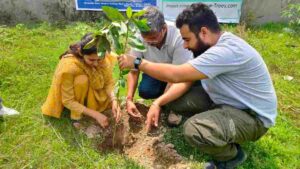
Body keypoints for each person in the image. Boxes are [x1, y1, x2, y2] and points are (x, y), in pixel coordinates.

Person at [118, 3, 277, 169]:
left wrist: (137, 62)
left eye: (187, 40)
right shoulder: (213, 45)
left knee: (193, 129)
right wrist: (157, 102)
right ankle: (216, 124)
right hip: (225, 100)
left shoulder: (226, 51)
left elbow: (177, 75)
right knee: (173, 100)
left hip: (252, 117)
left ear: (203, 32)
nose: (185, 45)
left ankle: (232, 156)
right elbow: (181, 80)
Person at [125, 6, 194, 125]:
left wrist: (159, 104)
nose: (149, 42)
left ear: (164, 28)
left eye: (153, 38)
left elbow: (177, 75)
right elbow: (134, 70)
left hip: (178, 74)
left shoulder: (179, 37)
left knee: (175, 93)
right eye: (145, 39)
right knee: (146, 91)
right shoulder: (138, 37)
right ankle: (166, 98)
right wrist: (129, 99)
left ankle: (175, 106)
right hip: (154, 71)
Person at [42, 33, 121, 128]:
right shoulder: (69, 67)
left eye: (99, 60)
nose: (96, 64)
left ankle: (93, 105)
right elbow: (68, 101)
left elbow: (108, 82)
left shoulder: (102, 57)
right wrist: (96, 115)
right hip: (77, 95)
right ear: (80, 53)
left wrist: (113, 99)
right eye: (91, 60)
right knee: (81, 80)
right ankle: (76, 116)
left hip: (93, 91)